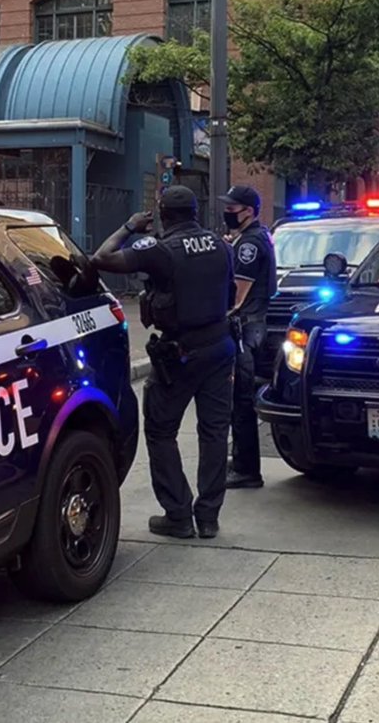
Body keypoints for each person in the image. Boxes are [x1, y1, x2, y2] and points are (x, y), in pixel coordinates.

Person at [91, 186, 236, 539]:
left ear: (163, 215)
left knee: (160, 430)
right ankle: (208, 517)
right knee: (215, 432)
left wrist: (129, 226)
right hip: (220, 347)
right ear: (195, 213)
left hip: (180, 353)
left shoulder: (162, 250)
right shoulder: (221, 245)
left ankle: (178, 515)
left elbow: (101, 258)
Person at [219, 185, 277, 489]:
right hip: (254, 325)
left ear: (249, 212)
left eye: (232, 209)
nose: (227, 213)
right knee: (239, 399)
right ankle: (242, 460)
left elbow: (237, 298)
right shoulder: (253, 236)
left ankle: (247, 470)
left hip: (245, 327)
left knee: (241, 400)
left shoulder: (249, 245)